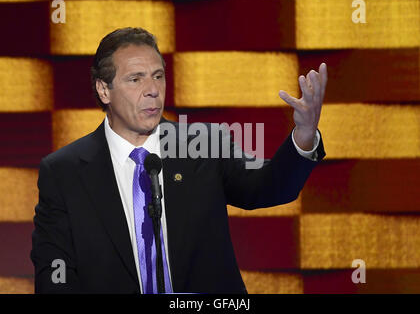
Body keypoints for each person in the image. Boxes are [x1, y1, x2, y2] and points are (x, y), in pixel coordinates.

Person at [30, 27, 327, 294]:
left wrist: (303, 135)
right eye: (136, 79)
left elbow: (270, 187)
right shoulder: (63, 172)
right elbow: (56, 271)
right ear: (103, 89)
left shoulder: (203, 145)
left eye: (158, 76)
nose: (153, 90)